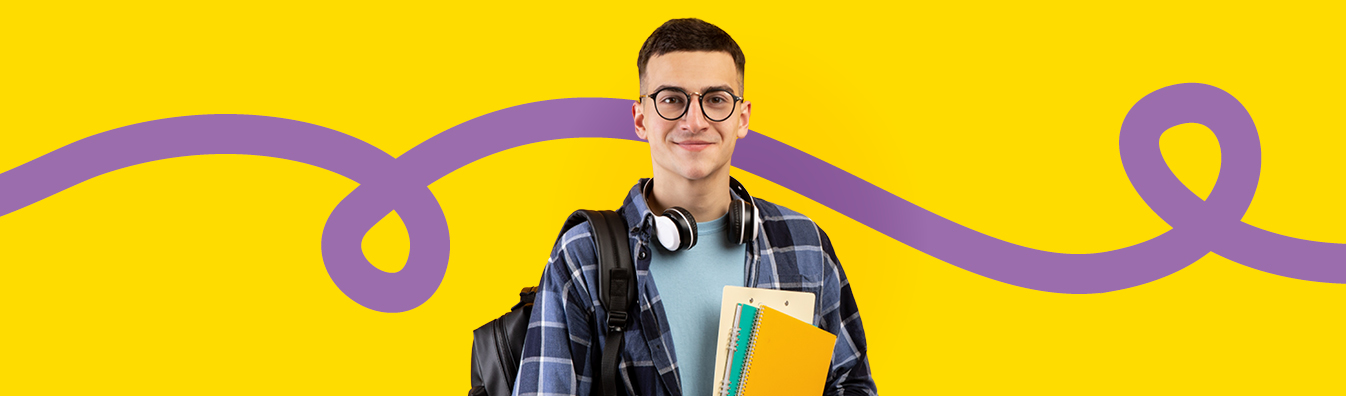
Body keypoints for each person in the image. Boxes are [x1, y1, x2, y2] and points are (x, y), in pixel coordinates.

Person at [512, 18, 876, 396]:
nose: (695, 121)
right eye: (672, 99)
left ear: (742, 117)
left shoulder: (805, 246)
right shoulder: (584, 254)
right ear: (640, 119)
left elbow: (851, 384)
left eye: (716, 100)